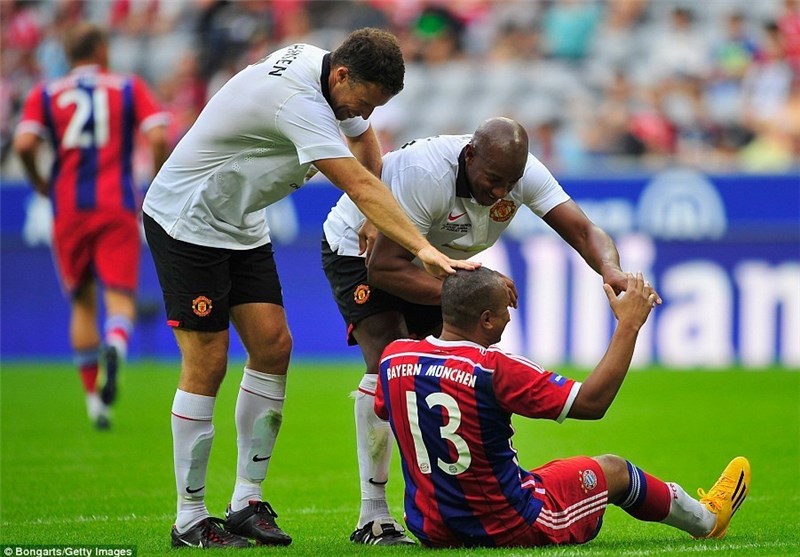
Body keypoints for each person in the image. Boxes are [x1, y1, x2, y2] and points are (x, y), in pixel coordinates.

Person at [141, 28, 477, 549]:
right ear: (342, 76)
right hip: (187, 219)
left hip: (240, 220)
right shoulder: (299, 102)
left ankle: (246, 501)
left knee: (274, 346)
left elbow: (366, 143)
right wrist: (423, 248)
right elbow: (358, 183)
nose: (361, 114)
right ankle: (189, 517)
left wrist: (372, 219)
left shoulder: (332, 75)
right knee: (208, 361)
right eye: (363, 101)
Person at [321, 116, 642, 545]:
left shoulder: (517, 173)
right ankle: (373, 515)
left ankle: (457, 498)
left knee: (442, 368)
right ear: (469, 155)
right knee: (388, 361)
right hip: (362, 252)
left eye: (511, 183)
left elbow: (584, 232)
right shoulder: (425, 174)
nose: (501, 193)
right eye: (493, 180)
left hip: (442, 265)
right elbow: (384, 268)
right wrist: (470, 289)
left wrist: (611, 268)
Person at [375, 266, 750, 547]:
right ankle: (708, 520)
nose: (509, 316)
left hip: (430, 527)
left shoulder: (394, 358)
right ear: (486, 320)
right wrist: (629, 325)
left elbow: (383, 412)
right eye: (504, 310)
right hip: (509, 525)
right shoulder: (495, 369)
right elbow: (592, 403)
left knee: (548, 472)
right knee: (615, 470)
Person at [13, 22, 170, 430]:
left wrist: (40, 181)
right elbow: (157, 136)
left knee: (82, 303)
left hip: (68, 208)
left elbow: (24, 143)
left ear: (67, 54)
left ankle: (95, 404)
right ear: (101, 49)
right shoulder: (128, 87)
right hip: (116, 205)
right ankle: (116, 343)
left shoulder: (45, 93)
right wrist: (155, 181)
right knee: (119, 297)